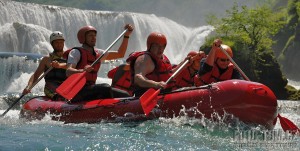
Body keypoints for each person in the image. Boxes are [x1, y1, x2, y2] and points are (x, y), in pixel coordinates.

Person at [65, 24, 134, 102]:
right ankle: (110, 109)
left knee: (125, 94)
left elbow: (120, 54)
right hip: (79, 90)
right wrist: (82, 70)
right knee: (105, 88)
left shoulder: (99, 53)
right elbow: (68, 71)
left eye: (94, 35)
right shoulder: (76, 52)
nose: (93, 38)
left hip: (91, 88)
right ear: (83, 38)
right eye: (90, 36)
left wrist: (126, 36)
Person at [129, 32, 183, 97]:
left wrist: (184, 63)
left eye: (163, 46)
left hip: (166, 93)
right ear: (150, 46)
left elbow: (171, 74)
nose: (160, 49)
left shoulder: (163, 58)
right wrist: (156, 84)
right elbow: (138, 78)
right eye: (157, 45)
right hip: (147, 95)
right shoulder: (144, 59)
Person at [22, 31, 67, 100]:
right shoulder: (47, 59)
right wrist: (29, 86)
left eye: (61, 42)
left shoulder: (69, 57)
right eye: (56, 43)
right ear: (52, 44)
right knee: (60, 96)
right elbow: (36, 75)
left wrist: (59, 65)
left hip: (66, 84)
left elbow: (73, 67)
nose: (59, 45)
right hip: (51, 86)